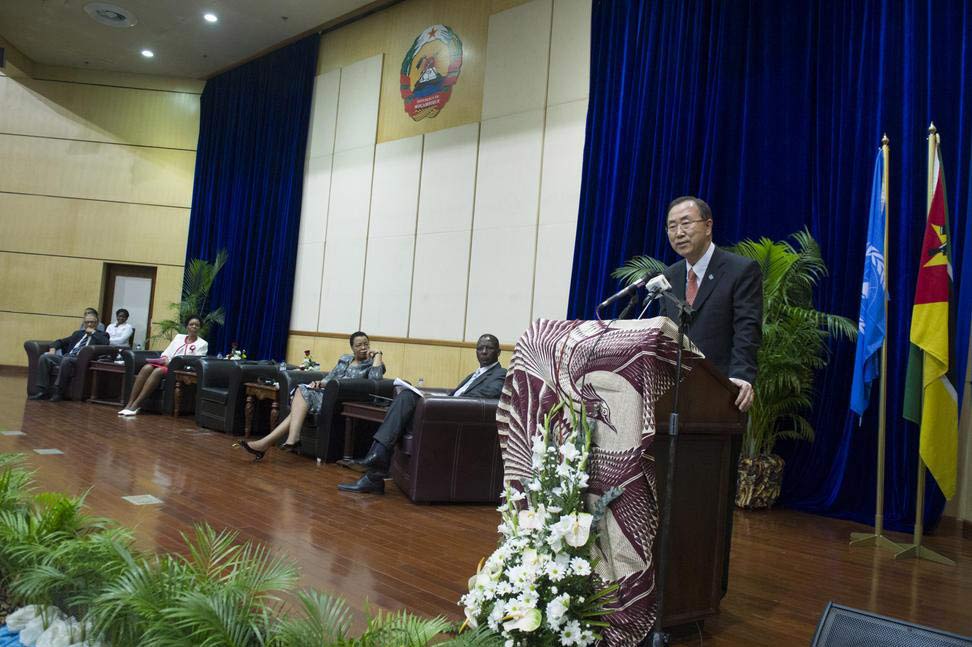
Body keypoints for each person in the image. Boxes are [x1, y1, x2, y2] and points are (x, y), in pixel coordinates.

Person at [337, 334, 505, 494]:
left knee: (406, 399)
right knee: (405, 397)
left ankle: (376, 458)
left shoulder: (500, 374)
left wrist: (439, 402)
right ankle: (374, 473)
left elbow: (487, 395)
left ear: (498, 352)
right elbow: (456, 395)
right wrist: (436, 398)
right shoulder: (474, 374)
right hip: (444, 413)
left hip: (455, 422)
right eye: (480, 348)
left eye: (488, 348)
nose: (483, 351)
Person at [659, 196, 762, 412]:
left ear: (708, 226)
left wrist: (740, 377)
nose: (679, 232)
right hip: (674, 394)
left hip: (722, 391)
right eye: (672, 226)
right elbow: (664, 332)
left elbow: (747, 329)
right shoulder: (670, 276)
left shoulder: (740, 270)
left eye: (686, 223)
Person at [237, 331, 385, 461]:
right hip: (327, 394)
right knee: (302, 394)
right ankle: (268, 443)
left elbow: (376, 382)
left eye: (366, 344)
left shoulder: (372, 363)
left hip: (342, 401)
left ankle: (286, 439)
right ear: (352, 348)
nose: (363, 347)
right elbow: (331, 377)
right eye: (359, 345)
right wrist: (320, 383)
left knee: (301, 391)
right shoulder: (345, 359)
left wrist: (378, 355)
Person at [118, 315, 209, 416]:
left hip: (177, 369)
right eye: (191, 324)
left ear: (200, 328)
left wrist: (171, 363)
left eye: (197, 325)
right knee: (146, 367)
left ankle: (136, 404)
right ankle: (129, 403)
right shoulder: (179, 337)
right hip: (166, 364)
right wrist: (165, 359)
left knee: (158, 371)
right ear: (187, 327)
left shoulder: (202, 344)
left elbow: (195, 361)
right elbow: (167, 351)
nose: (194, 327)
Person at [29, 310, 109, 401]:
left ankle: (58, 392)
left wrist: (93, 333)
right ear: (84, 323)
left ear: (97, 323)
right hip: (68, 357)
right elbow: (60, 342)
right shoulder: (78, 334)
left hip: (81, 360)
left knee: (66, 360)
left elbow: (106, 343)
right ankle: (41, 391)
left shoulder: (102, 334)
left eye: (92, 322)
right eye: (87, 322)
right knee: (45, 357)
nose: (89, 324)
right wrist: (52, 349)